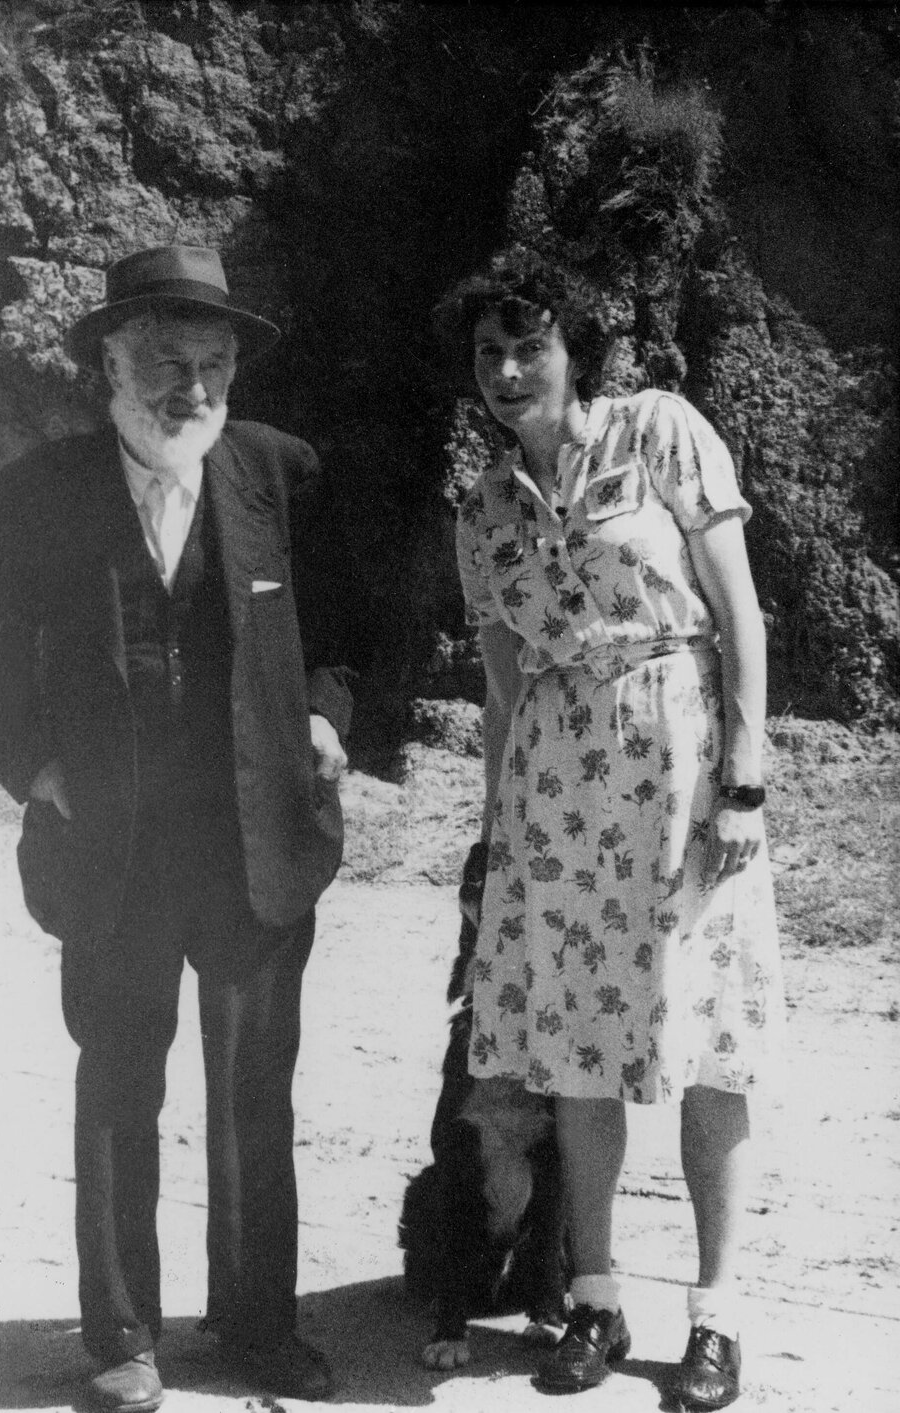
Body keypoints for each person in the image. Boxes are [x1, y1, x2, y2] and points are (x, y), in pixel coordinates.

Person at [0, 245, 353, 1408]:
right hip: (112, 849)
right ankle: (122, 1338)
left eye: (213, 364)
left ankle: (257, 1329)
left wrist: (327, 717)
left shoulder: (281, 474)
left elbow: (353, 620)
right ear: (112, 370)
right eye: (169, 363)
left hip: (253, 840)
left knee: (253, 1089)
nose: (194, 388)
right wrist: (33, 769)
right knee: (118, 1083)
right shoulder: (42, 491)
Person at [438, 248, 785, 1410]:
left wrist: (744, 769)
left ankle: (716, 1316)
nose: (506, 369)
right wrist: (497, 840)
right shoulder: (484, 512)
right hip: (558, 798)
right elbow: (503, 691)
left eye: (527, 344)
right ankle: (593, 1297)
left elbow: (735, 606)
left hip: (681, 763)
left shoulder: (660, 431)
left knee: (705, 1050)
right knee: (580, 1057)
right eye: (487, 352)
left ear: (571, 348)